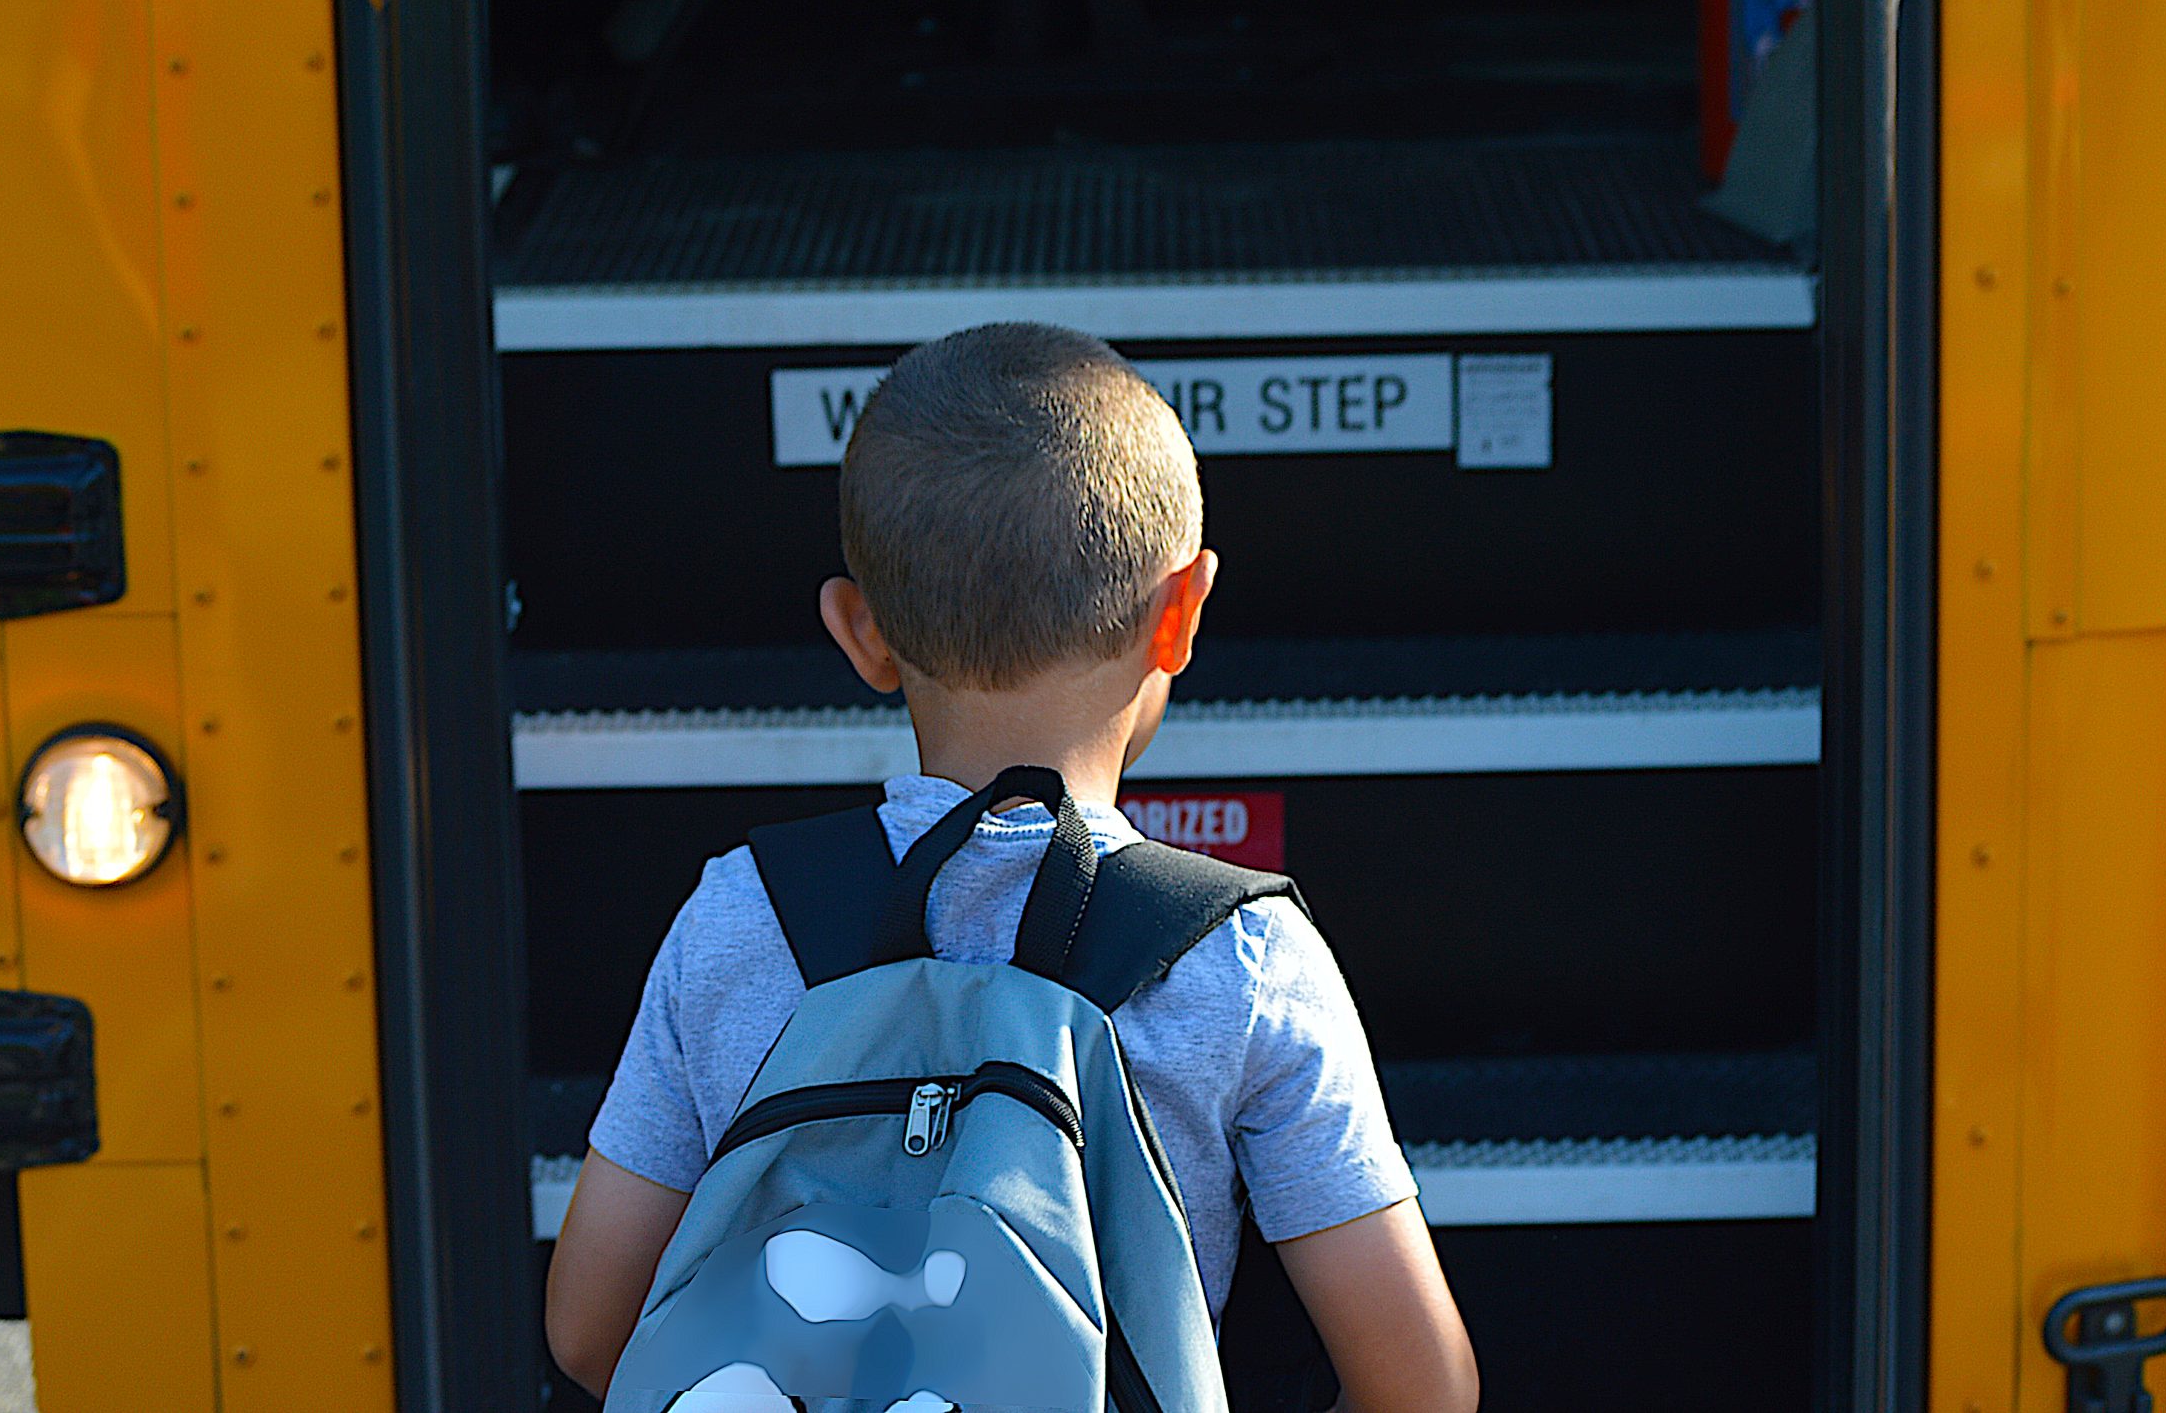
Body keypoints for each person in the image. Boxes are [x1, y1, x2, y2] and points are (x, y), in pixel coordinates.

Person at [547, 322, 1478, 1413]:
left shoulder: (743, 916)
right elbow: (1419, 1383)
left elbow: (589, 1326)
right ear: (1180, 614)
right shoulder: (1241, 959)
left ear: (859, 634)